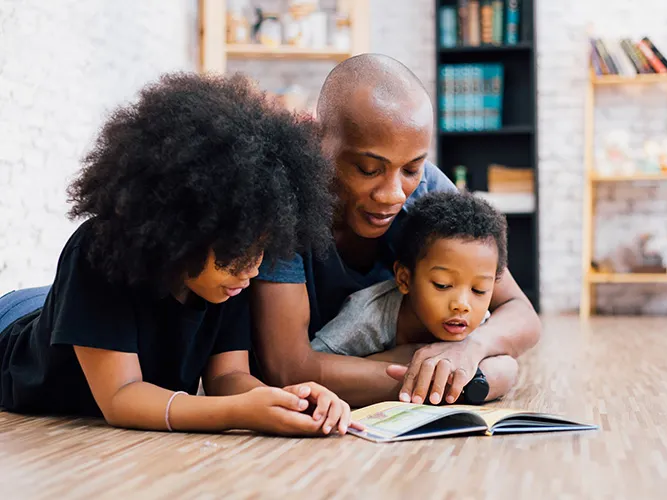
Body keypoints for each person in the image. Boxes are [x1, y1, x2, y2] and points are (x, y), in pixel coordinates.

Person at [0, 72, 360, 437]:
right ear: (183, 226)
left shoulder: (230, 277)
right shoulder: (98, 250)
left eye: (262, 251)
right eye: (239, 252)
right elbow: (121, 397)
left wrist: (289, 402)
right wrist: (238, 412)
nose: (251, 270)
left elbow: (227, 376)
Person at [249, 54, 542, 408]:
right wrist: (449, 377)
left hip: (359, 380)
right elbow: (288, 369)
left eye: (411, 168)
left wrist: (470, 349)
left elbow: (519, 311)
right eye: (369, 169)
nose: (393, 194)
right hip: (319, 386)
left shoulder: (429, 188)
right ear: (317, 141)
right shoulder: (284, 204)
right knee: (501, 372)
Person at [311, 191, 520, 403]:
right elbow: (311, 365)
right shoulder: (365, 317)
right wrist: (402, 357)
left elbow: (509, 368)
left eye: (479, 290)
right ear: (404, 279)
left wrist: (466, 362)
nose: (462, 305)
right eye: (443, 285)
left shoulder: (476, 320)